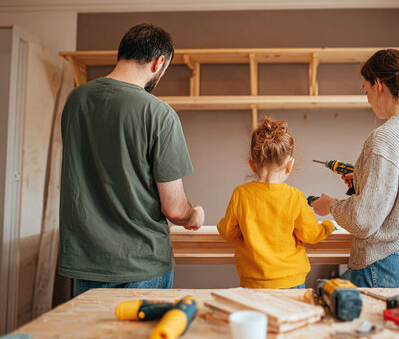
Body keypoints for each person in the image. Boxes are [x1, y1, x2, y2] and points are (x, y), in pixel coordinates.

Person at [59, 23, 204, 295]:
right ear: (158, 62)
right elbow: (174, 209)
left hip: (87, 261)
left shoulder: (76, 100)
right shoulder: (159, 114)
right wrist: (193, 214)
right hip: (143, 263)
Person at [311, 49, 399, 288]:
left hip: (387, 264)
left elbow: (363, 221)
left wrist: (330, 205)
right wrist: (364, 179)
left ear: (379, 85)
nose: (367, 97)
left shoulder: (384, 137)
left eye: (366, 89)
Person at [217, 117, 334, 289]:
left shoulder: (241, 195)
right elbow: (311, 234)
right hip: (291, 282)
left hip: (253, 283)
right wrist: (328, 226)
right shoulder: (295, 197)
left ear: (252, 164)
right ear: (290, 165)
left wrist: (225, 225)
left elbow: (227, 232)